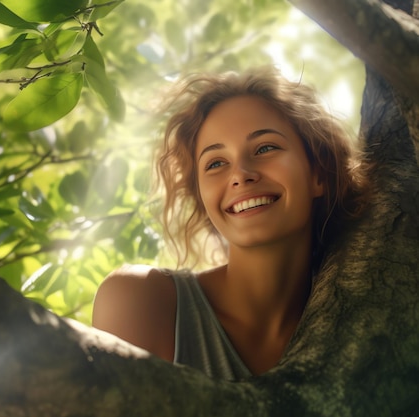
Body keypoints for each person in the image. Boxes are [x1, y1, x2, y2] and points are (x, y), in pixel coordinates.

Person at [92, 67, 367, 380]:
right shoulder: (142, 303)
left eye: (265, 148)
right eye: (216, 163)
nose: (240, 174)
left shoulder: (366, 320)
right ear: (203, 197)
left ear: (318, 174)